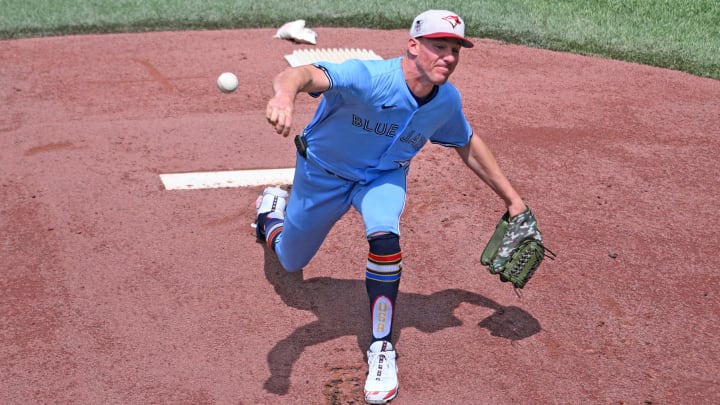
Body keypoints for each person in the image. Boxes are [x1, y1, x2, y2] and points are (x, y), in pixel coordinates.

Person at [258, 9, 528, 404]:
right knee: (290, 260)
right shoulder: (368, 78)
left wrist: (513, 199)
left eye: (455, 49)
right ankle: (270, 213)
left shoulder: (446, 101)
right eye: (439, 46)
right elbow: (302, 74)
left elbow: (466, 143)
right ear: (413, 45)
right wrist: (284, 95)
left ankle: (381, 347)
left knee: (385, 237)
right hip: (323, 174)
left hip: (382, 179)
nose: (448, 57)